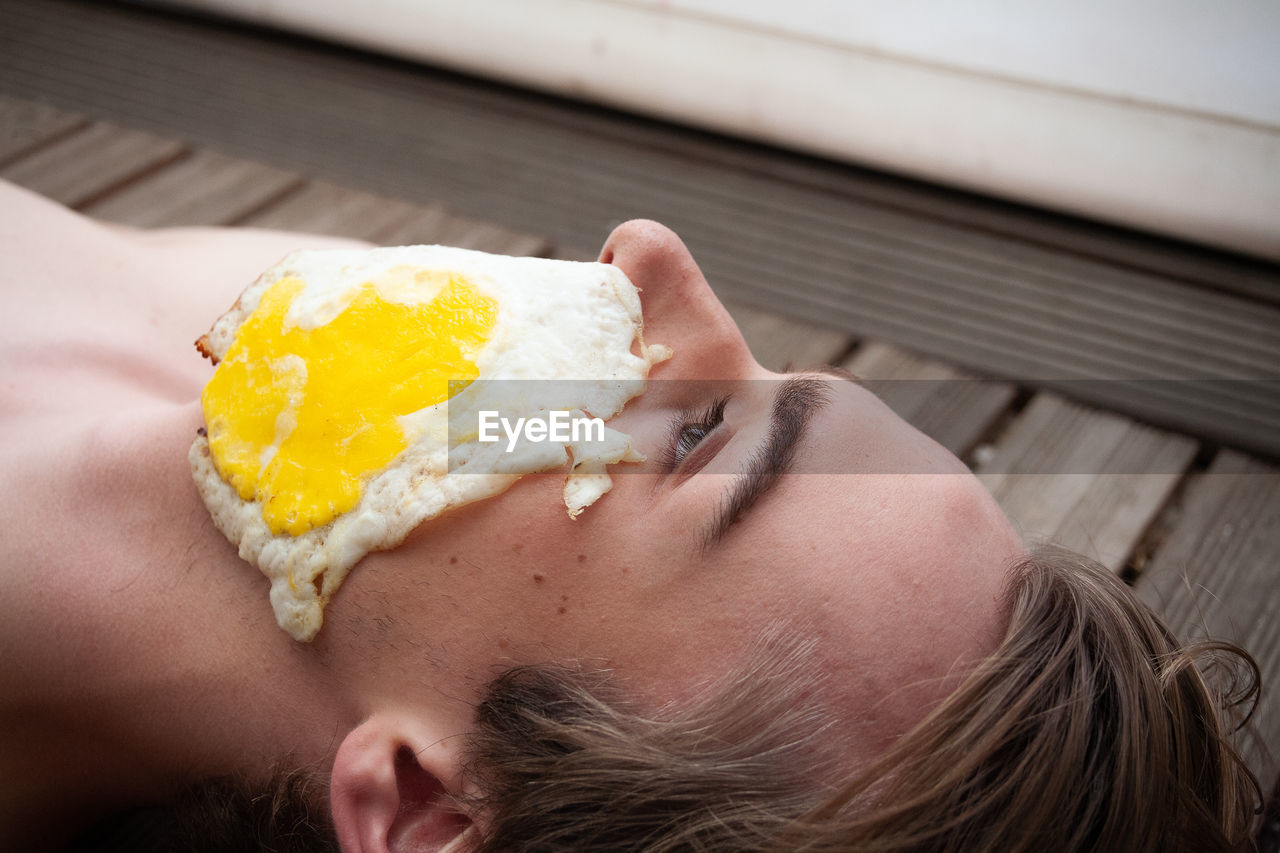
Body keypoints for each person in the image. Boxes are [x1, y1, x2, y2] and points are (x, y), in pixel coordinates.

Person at [0, 177, 1263, 852]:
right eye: (770, 375)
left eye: (699, 433)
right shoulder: (305, 344)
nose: (648, 255)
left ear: (429, 809)